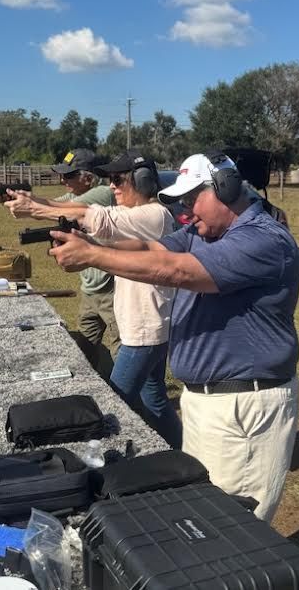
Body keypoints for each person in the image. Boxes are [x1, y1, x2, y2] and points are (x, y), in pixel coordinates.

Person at [49, 150, 299, 522]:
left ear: (227, 188)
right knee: (201, 514)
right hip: (207, 401)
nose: (186, 209)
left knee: (232, 524)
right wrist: (94, 246)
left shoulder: (262, 240)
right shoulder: (205, 233)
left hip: (242, 407)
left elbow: (176, 270)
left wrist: (92, 256)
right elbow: (151, 248)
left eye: (193, 198)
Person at [47, 150, 182, 449]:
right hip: (149, 328)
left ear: (142, 181)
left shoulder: (153, 214)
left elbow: (101, 220)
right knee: (155, 399)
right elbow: (111, 247)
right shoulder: (138, 218)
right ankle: (182, 455)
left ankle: (112, 460)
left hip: (143, 333)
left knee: (114, 403)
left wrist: (34, 206)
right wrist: (82, 245)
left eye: (118, 180)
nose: (111, 186)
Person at [0, 149, 121, 375]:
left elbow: (51, 208)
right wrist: (8, 194)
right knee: (85, 346)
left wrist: (26, 204)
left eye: (69, 175)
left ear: (88, 178)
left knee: (121, 349)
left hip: (111, 288)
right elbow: (46, 205)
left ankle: (130, 392)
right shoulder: (77, 197)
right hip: (91, 288)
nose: (63, 180)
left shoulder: (102, 194)